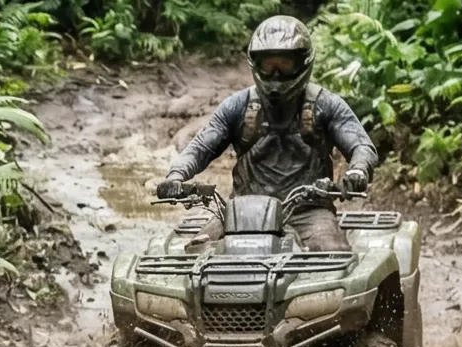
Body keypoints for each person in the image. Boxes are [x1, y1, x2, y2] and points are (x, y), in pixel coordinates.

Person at [155, 15, 378, 253]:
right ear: (255, 65)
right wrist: (176, 177)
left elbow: (361, 146)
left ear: (303, 63)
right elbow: (200, 148)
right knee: (195, 255)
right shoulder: (237, 106)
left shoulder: (326, 105)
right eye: (268, 66)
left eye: (285, 65)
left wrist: (357, 170)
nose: (276, 76)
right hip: (241, 213)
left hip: (308, 213)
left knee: (335, 258)